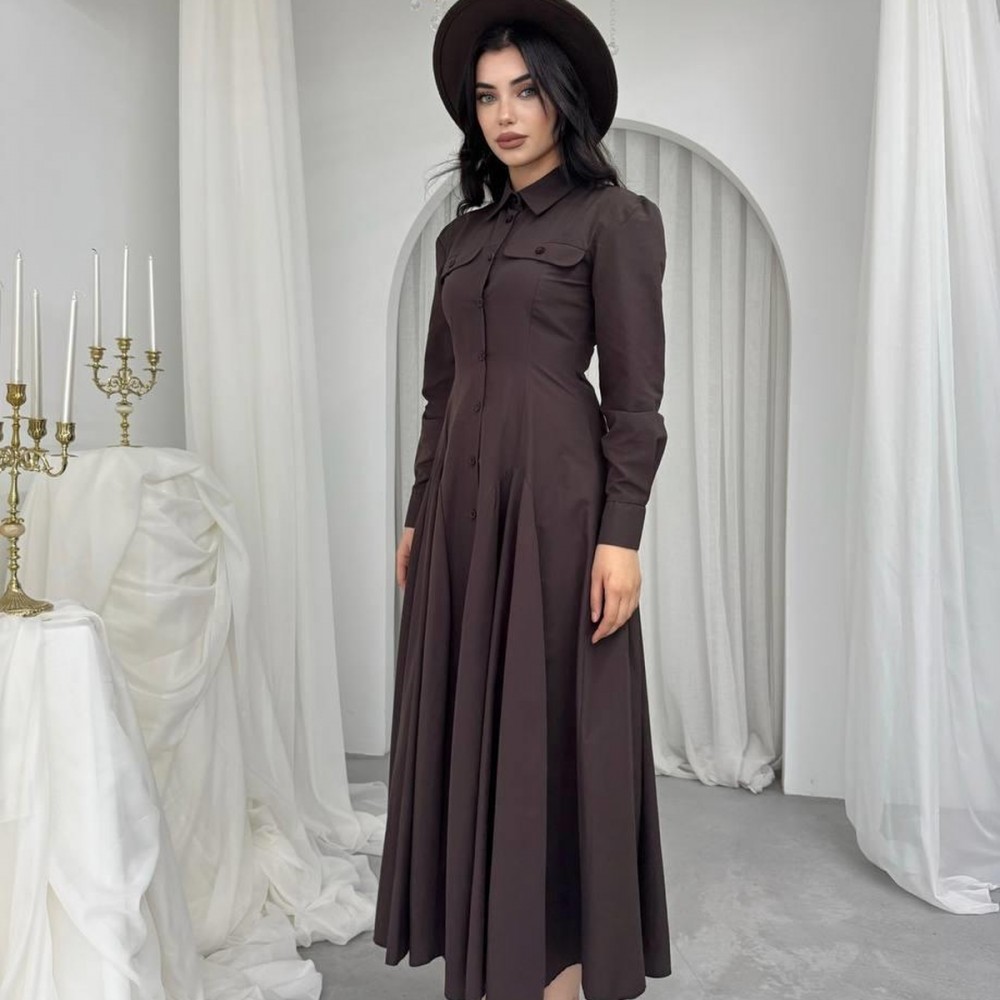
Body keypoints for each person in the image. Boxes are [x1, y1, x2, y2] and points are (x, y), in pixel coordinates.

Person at [373, 2, 671, 998]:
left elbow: (634, 400)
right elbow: (440, 392)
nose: (504, 115)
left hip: (555, 511)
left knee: (555, 729)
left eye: (526, 92)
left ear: (561, 101)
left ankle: (561, 970)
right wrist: (417, 510)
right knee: (470, 720)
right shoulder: (459, 238)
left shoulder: (615, 221)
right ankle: (487, 946)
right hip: (462, 516)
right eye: (487, 96)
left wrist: (621, 536)